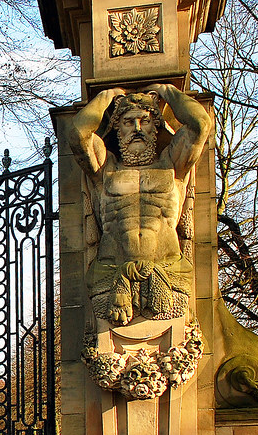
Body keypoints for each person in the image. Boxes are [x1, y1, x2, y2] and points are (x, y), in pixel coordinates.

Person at [65, 84, 211, 326]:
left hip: (167, 268)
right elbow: (78, 134)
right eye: (128, 122)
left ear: (156, 127)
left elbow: (201, 125)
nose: (137, 129)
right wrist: (106, 96)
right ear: (117, 129)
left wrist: (168, 91)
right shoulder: (105, 169)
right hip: (111, 272)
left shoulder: (172, 165)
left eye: (145, 121)